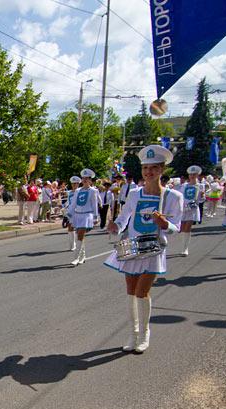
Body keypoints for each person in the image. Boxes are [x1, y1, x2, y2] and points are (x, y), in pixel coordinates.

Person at [105, 145, 182, 353]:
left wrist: (165, 225)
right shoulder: (134, 194)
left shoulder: (173, 197)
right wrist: (115, 227)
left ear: (161, 170)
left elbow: (177, 227)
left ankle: (144, 333)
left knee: (142, 292)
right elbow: (124, 218)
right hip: (132, 247)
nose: (149, 172)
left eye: (154, 168)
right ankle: (133, 333)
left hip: (153, 248)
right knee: (130, 292)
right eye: (145, 168)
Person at [67, 169, 103, 266]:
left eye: (87, 178)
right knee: (80, 236)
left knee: (80, 235)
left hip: (87, 215)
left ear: (90, 180)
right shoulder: (78, 191)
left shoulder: (93, 191)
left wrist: (96, 217)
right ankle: (82, 256)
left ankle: (76, 258)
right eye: (83, 178)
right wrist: (69, 214)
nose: (85, 180)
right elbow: (73, 203)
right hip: (77, 215)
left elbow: (94, 204)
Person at [176, 166, 204, 256]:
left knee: (187, 228)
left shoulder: (200, 186)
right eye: (190, 174)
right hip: (184, 209)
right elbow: (180, 197)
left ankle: (185, 248)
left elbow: (201, 200)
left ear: (197, 175)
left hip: (193, 209)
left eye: (194, 174)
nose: (192, 176)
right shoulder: (184, 186)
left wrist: (202, 197)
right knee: (182, 228)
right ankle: (182, 246)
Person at [64, 175, 81, 251]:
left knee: (78, 229)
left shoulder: (81, 192)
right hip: (71, 213)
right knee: (70, 228)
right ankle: (72, 245)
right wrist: (65, 208)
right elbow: (68, 202)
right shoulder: (70, 192)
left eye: (75, 183)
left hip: (79, 212)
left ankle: (79, 244)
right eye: (73, 184)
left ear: (78, 184)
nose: (74, 185)